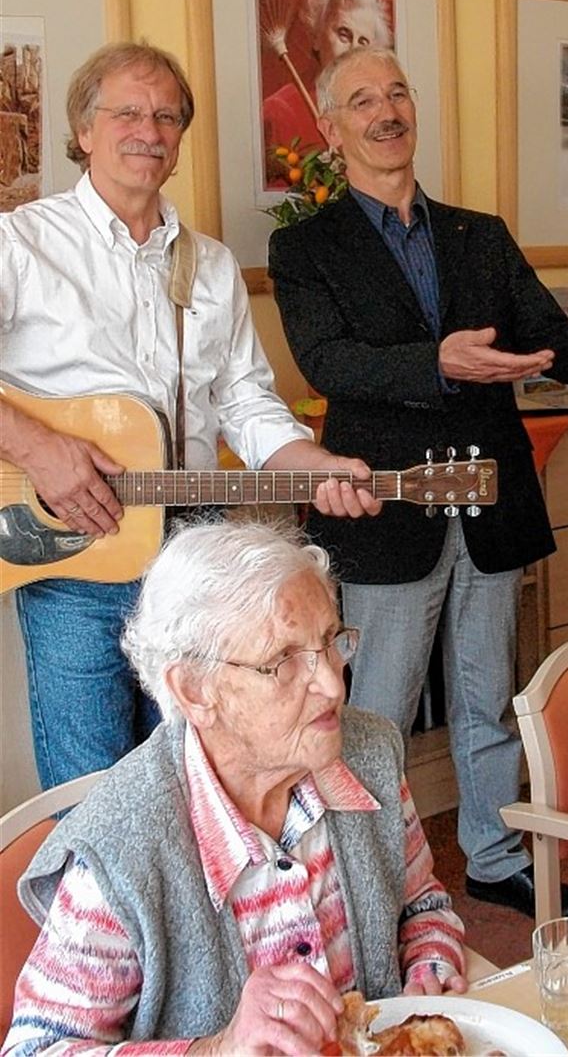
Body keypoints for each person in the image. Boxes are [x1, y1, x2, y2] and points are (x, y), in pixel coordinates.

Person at [268, 45, 568, 919]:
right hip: (388, 508)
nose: (387, 112)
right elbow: (328, 361)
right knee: (373, 714)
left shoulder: (477, 235)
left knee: (489, 696)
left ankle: (491, 852)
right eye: (363, 101)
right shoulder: (305, 246)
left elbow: (551, 332)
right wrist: (437, 363)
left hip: (489, 500)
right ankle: (368, 882)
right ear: (333, 131)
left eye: (398, 93)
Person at [0, 41, 381, 792]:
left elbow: (246, 402)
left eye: (168, 116)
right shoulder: (20, 243)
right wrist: (39, 446)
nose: (150, 129)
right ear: (83, 130)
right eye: (129, 112)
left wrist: (318, 466)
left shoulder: (208, 265)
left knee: (198, 779)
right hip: (78, 560)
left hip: (194, 561)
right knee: (95, 791)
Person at [4, 520, 465, 1055]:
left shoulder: (370, 756)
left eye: (330, 643)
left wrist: (431, 971)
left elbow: (423, 906)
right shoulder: (122, 848)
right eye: (284, 661)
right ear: (196, 691)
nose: (333, 684)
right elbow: (36, 1049)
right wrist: (218, 1048)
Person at [262, 0, 392, 174]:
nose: (352, 50)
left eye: (363, 41)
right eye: (343, 34)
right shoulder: (278, 113)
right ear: (316, 36)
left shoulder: (380, 116)